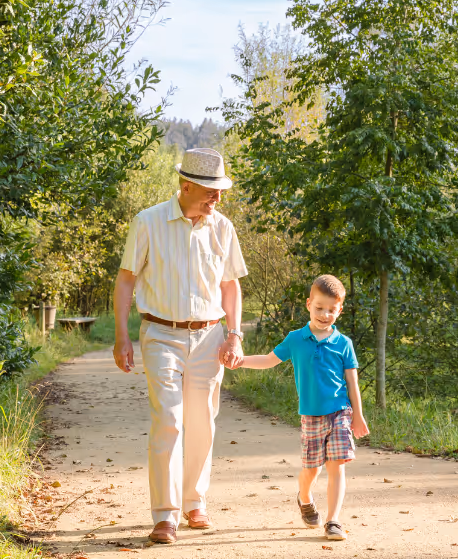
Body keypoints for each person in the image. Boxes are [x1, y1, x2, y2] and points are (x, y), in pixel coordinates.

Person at [112, 148, 248, 545]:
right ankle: (165, 514)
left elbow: (230, 286)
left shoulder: (223, 228)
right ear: (186, 185)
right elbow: (125, 281)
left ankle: (194, 502)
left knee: (202, 422)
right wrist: (122, 335)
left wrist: (234, 334)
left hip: (210, 337)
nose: (217, 198)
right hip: (161, 335)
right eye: (210, 190)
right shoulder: (148, 222)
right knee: (169, 420)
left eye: (220, 191)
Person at [231, 275, 369, 541]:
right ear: (309, 304)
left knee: (337, 465)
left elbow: (352, 382)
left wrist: (358, 416)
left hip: (340, 412)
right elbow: (270, 360)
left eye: (331, 309)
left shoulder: (344, 344)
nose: (325, 314)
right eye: (319, 308)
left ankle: (333, 520)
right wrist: (240, 361)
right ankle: (304, 497)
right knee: (311, 470)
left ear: (339, 310)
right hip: (311, 416)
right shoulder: (296, 339)